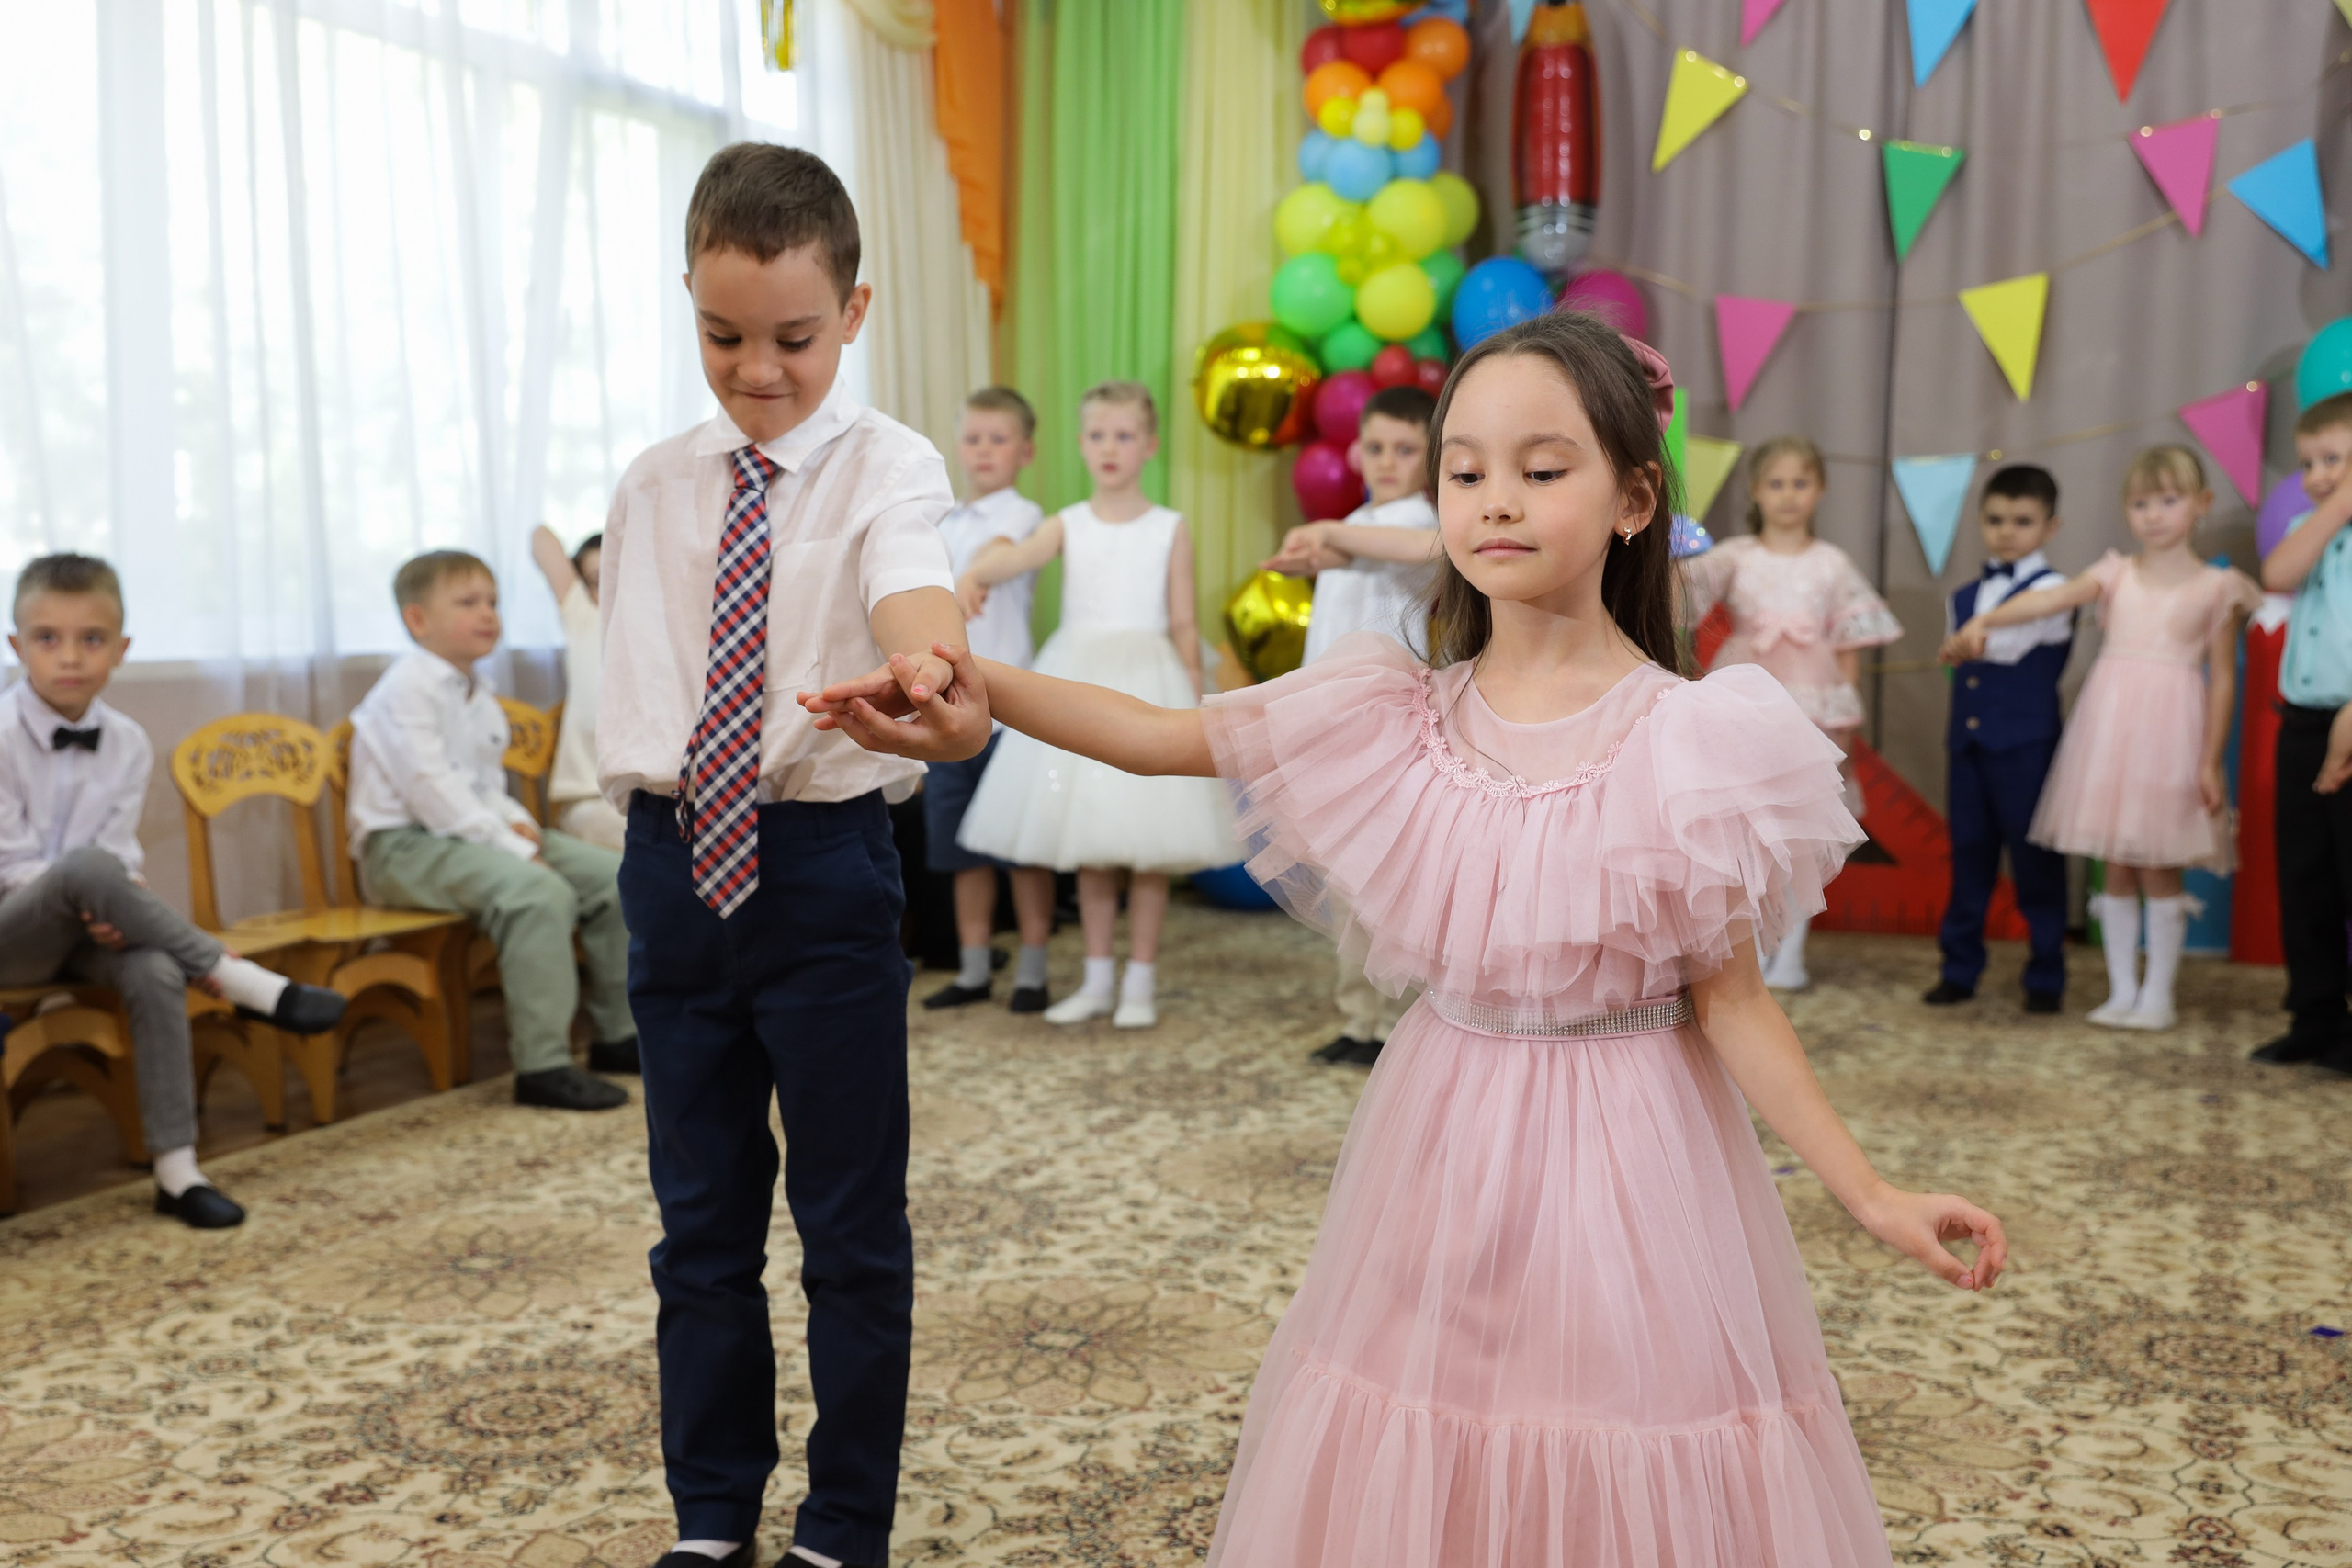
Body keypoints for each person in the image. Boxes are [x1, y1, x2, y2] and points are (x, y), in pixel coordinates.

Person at [805, 311, 2006, 1568]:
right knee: (1436, 1412)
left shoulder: (1693, 734)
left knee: (1619, 1423)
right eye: (1465, 471)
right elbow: (1167, 732)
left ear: (1635, 497)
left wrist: (1872, 1193)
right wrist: (970, 694)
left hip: (1635, 1139)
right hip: (1445, 1116)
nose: (1497, 500)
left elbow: (1736, 1000)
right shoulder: (1394, 704)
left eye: (1543, 470)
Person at [595, 142, 980, 1568]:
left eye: (795, 338)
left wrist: (924, 658)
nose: (759, 369)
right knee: (698, 1224)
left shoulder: (890, 462)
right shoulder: (653, 483)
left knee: (847, 1222)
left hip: (821, 867)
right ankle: (711, 1517)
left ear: (857, 310)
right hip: (672, 866)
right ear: (688, 302)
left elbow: (907, 572)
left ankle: (841, 1525)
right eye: (723, 334)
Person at [0, 553, 346, 1228]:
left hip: (84, 924)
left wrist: (110, 900)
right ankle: (241, 981)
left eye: (91, 639)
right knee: (86, 867)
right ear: (16, 646)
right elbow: (13, 864)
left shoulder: (127, 741)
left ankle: (177, 1169)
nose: (69, 656)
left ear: (122, 649)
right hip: (11, 930)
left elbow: (120, 851)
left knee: (155, 965)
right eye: (47, 638)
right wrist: (95, 888)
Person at [953, 380, 1239, 1029]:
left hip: (1148, 679)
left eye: (1125, 435)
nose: (1111, 447)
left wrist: (1199, 706)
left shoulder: (1170, 527)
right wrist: (973, 574)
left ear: (1150, 445)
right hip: (1079, 679)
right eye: (1099, 435)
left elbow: (1185, 623)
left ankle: (1139, 981)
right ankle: (1096, 976)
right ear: (1081, 444)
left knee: (1149, 843)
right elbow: (1019, 556)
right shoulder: (1068, 522)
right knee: (1090, 841)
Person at [1949, 446, 2258, 1031]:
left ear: (2201, 505)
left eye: (2168, 500)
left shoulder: (2216, 587)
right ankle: (2122, 991)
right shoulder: (2115, 572)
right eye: (2141, 503)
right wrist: (1988, 619)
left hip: (2171, 731)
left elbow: (2222, 681)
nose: (2154, 515)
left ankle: (2158, 994)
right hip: (2110, 729)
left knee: (2159, 861)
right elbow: (2049, 598)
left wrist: (2212, 760)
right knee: (2115, 860)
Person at [346, 548, 637, 1110]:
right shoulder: (407, 687)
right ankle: (543, 1065)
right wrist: (512, 847)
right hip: (404, 847)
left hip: (464, 833)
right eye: (467, 603)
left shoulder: (475, 692)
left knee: (615, 876)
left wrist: (518, 826)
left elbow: (481, 787)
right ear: (417, 621)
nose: (488, 614)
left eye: (493, 602)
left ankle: (618, 1035)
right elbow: (431, 791)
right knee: (537, 891)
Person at [1678, 435, 1902, 990]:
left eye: (1800, 483)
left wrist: (1846, 711)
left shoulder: (1832, 564)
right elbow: (1684, 593)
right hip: (1748, 698)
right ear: (1756, 491)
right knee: (1750, 826)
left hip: (1813, 701)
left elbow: (1847, 645)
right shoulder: (1735, 555)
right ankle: (1751, 952)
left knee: (1800, 829)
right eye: (1776, 483)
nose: (1788, 495)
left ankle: (1793, 953)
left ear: (1819, 490)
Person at [1262, 384, 1440, 1066]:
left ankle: (1401, 1023)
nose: (1388, 459)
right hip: (1330, 722)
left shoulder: (1429, 521)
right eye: (1376, 447)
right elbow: (1347, 552)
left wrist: (1329, 534)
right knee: (1342, 881)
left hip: (1389, 726)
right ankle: (1357, 1018)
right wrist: (1312, 552)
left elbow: (1411, 547)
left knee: (1389, 879)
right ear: (1356, 451)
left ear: (1430, 458)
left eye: (1405, 448)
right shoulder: (1356, 524)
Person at [925, 386, 1057, 1013]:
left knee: (1019, 845)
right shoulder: (941, 519)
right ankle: (974, 966)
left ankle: (1033, 967)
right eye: (973, 438)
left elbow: (1000, 554)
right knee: (960, 849)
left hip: (1011, 714)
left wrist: (971, 574)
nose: (983, 450)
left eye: (998, 439)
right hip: (950, 706)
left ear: (1024, 450)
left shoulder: (1024, 514)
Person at [1925, 465, 2074, 1013]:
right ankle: (1959, 967)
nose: (2007, 531)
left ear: (2050, 527)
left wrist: (1970, 643)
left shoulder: (2056, 592)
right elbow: (1960, 663)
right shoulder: (1963, 595)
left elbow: (2002, 649)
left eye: (2022, 521)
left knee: (2036, 864)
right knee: (1968, 859)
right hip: (1967, 750)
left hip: (2027, 749)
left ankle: (2046, 974)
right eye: (1995, 520)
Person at [2251, 391, 2352, 1071]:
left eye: (2333, 460)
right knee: (2307, 877)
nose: (2316, 475)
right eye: (2307, 462)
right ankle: (2314, 1016)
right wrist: (2338, 504)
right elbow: (2277, 572)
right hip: (2304, 723)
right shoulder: (2321, 527)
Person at [530, 525, 625, 852]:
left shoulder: (665, 625)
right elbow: (540, 537)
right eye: (600, 579)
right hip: (589, 799)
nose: (613, 586)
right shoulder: (585, 617)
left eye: (622, 571)